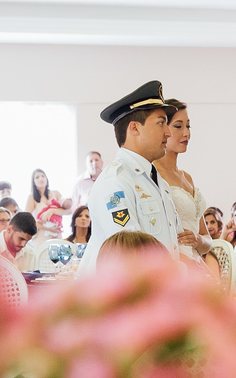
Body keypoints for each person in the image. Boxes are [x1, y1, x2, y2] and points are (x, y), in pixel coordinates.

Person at [78, 80, 182, 278]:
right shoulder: (115, 182)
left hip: (154, 290)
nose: (168, 132)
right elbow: (129, 255)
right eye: (161, 123)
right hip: (121, 296)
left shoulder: (156, 180)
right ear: (134, 128)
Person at [153, 99, 218, 280]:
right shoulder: (154, 175)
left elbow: (207, 240)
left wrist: (197, 240)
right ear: (163, 130)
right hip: (174, 270)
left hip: (196, 265)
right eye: (178, 126)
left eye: (188, 126)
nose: (186, 133)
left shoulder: (187, 177)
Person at [25, 168, 70, 243]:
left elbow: (69, 210)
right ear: (33, 182)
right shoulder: (31, 197)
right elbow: (28, 220)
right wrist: (48, 229)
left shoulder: (56, 193)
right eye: (37, 177)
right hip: (41, 236)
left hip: (57, 235)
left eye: (43, 176)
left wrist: (52, 211)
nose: (41, 178)